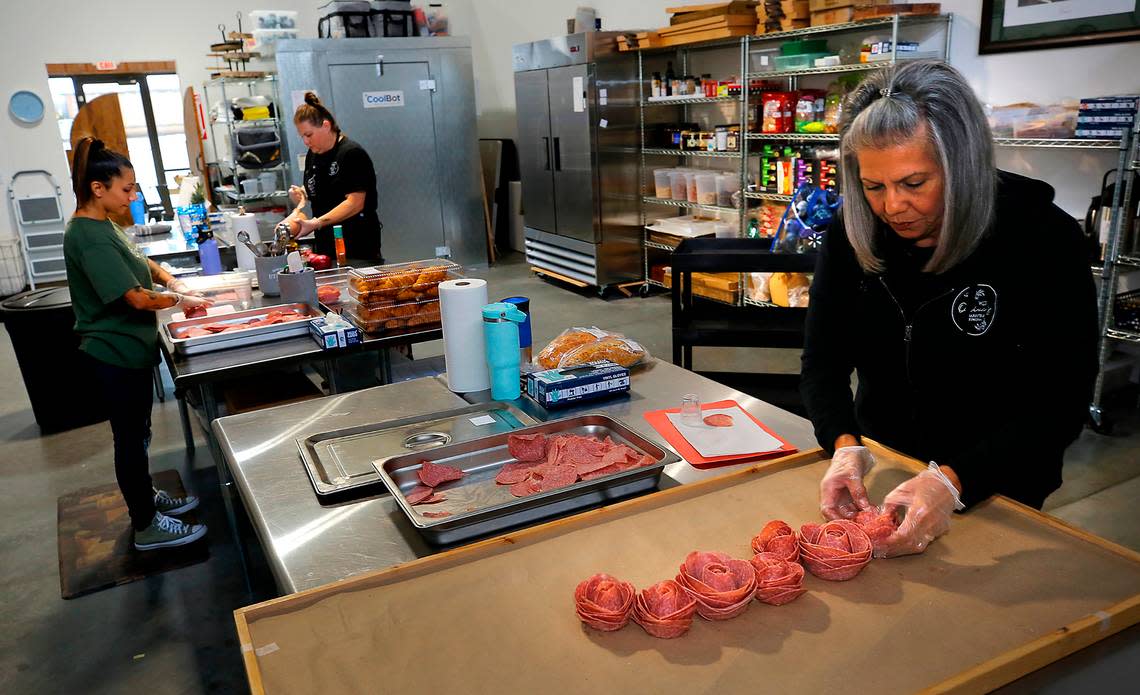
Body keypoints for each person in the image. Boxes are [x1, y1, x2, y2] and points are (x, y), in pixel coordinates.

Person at [800, 61, 1097, 558]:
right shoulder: (852, 233)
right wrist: (844, 444)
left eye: (914, 183)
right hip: (889, 465)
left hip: (1001, 479)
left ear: (962, 165)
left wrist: (956, 480)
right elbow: (823, 361)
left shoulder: (1043, 239)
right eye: (875, 187)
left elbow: (1060, 402)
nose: (893, 206)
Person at [64, 137, 212, 551]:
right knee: (130, 441)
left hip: (131, 351)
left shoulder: (104, 225)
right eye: (127, 189)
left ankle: (145, 496)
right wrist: (182, 301)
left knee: (140, 435)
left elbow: (136, 258)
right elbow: (135, 298)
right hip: (114, 355)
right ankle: (146, 524)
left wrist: (171, 279)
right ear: (98, 188)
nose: (134, 195)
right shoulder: (87, 235)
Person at [286, 92, 383, 264]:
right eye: (302, 136)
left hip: (357, 246)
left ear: (325, 125)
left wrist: (316, 223)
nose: (306, 142)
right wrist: (302, 195)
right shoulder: (313, 154)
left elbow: (355, 202)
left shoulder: (351, 154)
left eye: (309, 135)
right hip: (326, 246)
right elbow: (322, 190)